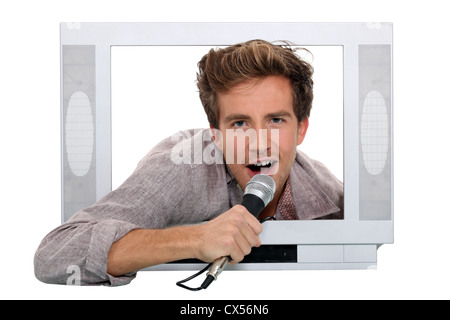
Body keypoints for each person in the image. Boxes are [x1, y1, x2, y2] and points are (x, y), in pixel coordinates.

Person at [34, 40, 343, 286]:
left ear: (301, 128)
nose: (259, 142)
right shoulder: (179, 168)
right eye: (239, 124)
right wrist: (196, 238)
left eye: (275, 120)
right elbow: (53, 255)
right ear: (217, 135)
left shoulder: (330, 195)